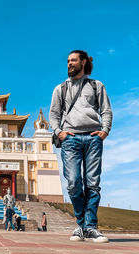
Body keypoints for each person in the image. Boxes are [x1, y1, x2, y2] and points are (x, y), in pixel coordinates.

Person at [49, 50, 112, 243]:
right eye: (68, 61)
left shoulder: (96, 85)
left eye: (73, 60)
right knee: (73, 183)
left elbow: (106, 110)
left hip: (93, 138)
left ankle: (89, 227)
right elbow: (54, 114)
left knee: (92, 183)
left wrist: (105, 131)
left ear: (83, 62)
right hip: (70, 139)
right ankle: (81, 223)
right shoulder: (60, 88)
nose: (69, 64)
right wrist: (59, 131)